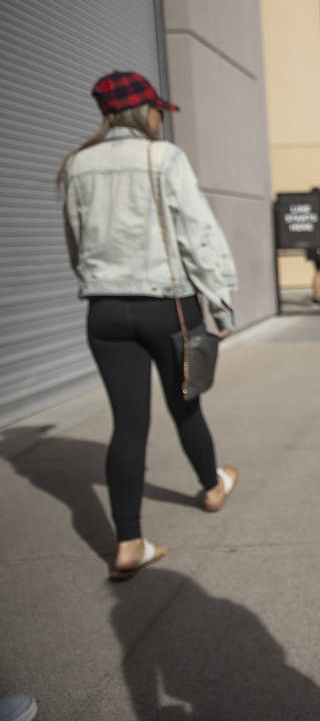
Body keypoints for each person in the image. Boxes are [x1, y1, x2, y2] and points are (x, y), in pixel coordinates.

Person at [59, 71, 238, 581]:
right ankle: (211, 486)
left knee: (128, 423)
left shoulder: (76, 165)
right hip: (168, 306)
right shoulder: (163, 159)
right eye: (157, 110)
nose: (160, 117)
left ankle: (128, 542)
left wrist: (100, 283)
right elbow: (198, 236)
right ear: (143, 112)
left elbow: (77, 246)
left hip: (105, 309)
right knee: (185, 404)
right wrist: (222, 305)